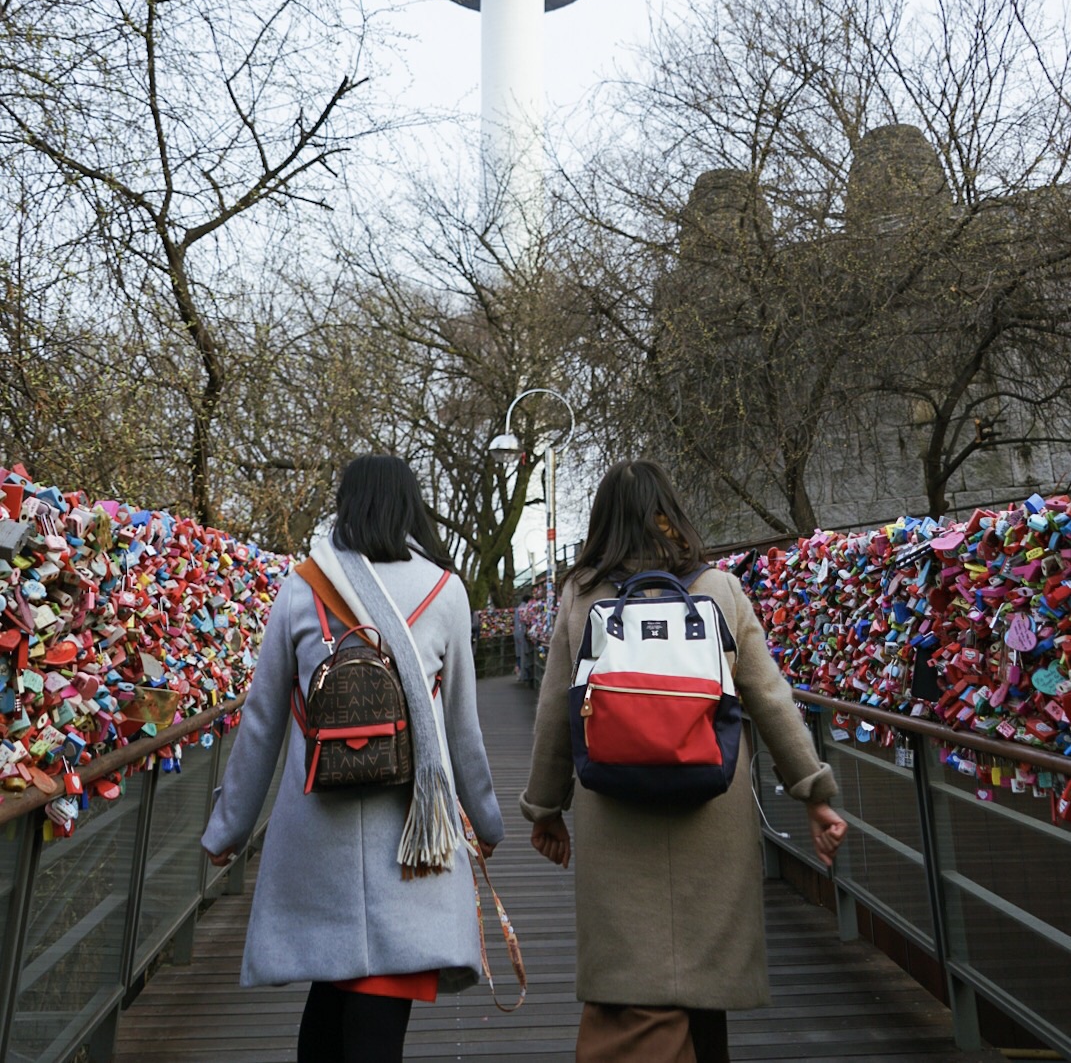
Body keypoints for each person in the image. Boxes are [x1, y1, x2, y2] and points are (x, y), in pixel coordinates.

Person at [521, 459, 847, 1063]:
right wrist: (814, 793)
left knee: (632, 988)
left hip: (614, 811)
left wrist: (545, 808)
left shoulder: (581, 596)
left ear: (603, 522)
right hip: (710, 808)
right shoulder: (717, 589)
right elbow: (769, 696)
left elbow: (554, 713)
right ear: (671, 514)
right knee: (702, 986)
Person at [202, 455, 505, 1063]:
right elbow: (462, 728)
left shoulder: (301, 588)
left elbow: (260, 719)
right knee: (376, 1019)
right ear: (409, 507)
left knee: (330, 999)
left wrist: (227, 828)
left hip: (319, 836)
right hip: (412, 843)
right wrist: (486, 820)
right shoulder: (446, 591)